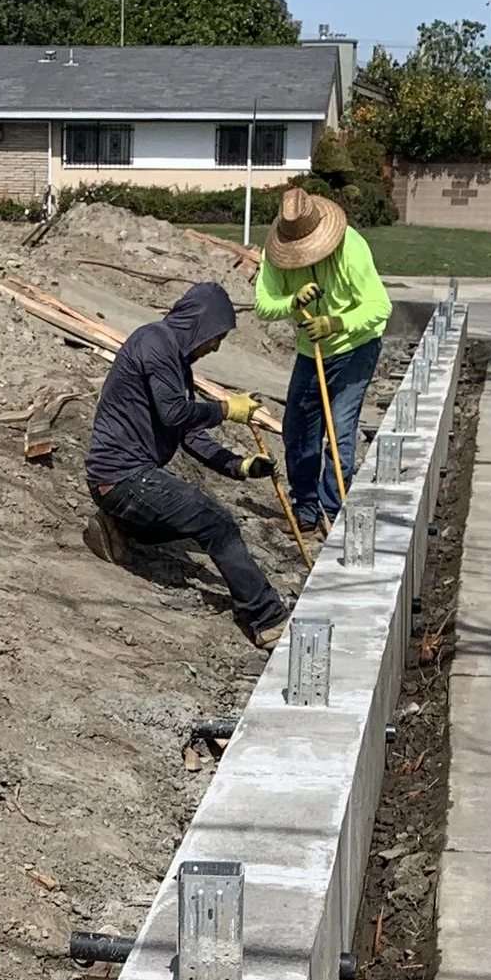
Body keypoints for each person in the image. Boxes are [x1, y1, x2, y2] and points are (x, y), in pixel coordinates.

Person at [82, 280, 290, 647]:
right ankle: (267, 618)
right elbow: (176, 413)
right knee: (217, 523)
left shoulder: (176, 362)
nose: (214, 347)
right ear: (200, 325)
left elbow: (188, 433)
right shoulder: (154, 344)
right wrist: (226, 409)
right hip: (123, 476)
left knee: (197, 522)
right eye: (215, 337)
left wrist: (238, 466)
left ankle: (120, 527)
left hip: (126, 480)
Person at [255, 185, 390, 528]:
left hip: (355, 347)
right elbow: (263, 305)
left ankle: (333, 509)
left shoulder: (352, 247)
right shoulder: (275, 255)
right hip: (309, 351)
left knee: (339, 429)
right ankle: (305, 508)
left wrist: (337, 323)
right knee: (298, 428)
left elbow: (380, 306)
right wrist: (292, 303)